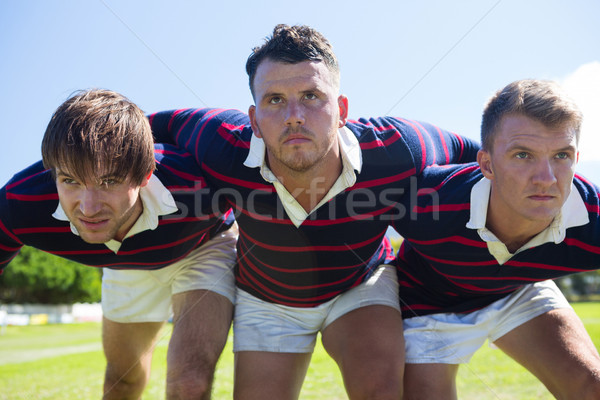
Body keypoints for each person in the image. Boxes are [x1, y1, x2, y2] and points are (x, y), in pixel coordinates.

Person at [149, 24, 480, 399]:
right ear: (254, 120)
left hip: (361, 284)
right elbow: (141, 130)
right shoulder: (221, 141)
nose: (294, 115)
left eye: (311, 96)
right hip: (268, 297)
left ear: (341, 110)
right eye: (274, 99)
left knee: (381, 390)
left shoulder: (397, 146)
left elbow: (482, 157)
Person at [0, 89, 238, 400]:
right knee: (122, 381)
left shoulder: (197, 181)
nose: (88, 207)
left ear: (144, 175)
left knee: (189, 382)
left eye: (108, 182)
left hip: (203, 248)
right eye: (70, 181)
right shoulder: (20, 202)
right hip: (122, 263)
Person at [392, 79, 600, 399]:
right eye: (522, 155)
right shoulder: (427, 201)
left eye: (561, 155)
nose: (546, 178)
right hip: (428, 302)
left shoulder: (592, 217)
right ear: (487, 164)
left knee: (592, 386)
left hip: (516, 290)